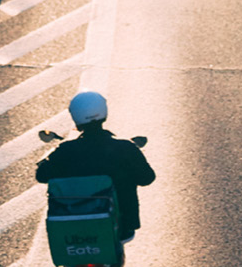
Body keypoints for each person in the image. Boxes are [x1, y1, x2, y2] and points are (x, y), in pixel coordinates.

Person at [36, 91, 155, 242]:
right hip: (122, 225)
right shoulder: (125, 148)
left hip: (75, 225)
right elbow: (147, 178)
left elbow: (41, 176)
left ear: (75, 117)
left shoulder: (66, 150)